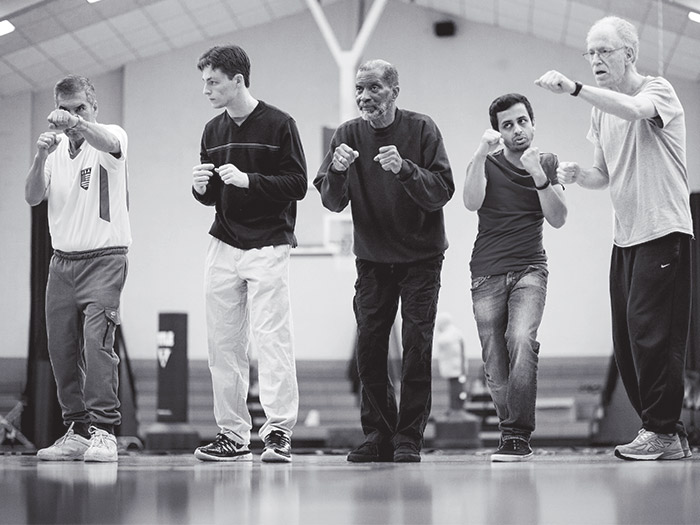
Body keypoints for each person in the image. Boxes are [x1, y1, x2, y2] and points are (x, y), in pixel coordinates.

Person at [536, 16, 693, 461]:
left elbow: (637, 110)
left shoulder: (658, 89)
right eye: (590, 52)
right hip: (625, 239)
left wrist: (575, 89)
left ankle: (660, 431)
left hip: (663, 231)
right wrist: (575, 174)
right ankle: (668, 433)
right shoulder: (599, 110)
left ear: (630, 53)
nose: (596, 59)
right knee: (627, 341)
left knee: (653, 335)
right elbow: (602, 174)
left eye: (605, 50)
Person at [314, 59, 454, 463]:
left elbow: (442, 191)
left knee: (416, 346)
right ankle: (378, 434)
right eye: (360, 89)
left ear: (394, 90)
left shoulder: (422, 129)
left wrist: (405, 169)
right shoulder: (347, 135)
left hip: (421, 258)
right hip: (373, 259)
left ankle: (408, 437)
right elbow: (331, 201)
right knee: (370, 348)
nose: (365, 96)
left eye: (374, 87)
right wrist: (337, 171)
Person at [191, 45, 307, 463]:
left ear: (238, 81)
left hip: (269, 242)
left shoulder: (279, 124)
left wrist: (249, 180)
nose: (205, 89)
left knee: (272, 339)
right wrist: (200, 187)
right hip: (223, 242)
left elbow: (297, 184)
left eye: (213, 82)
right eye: (204, 81)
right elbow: (210, 197)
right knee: (223, 344)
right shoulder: (211, 130)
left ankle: (277, 432)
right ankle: (233, 435)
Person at [25, 75, 130, 463]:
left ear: (93, 108)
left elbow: (108, 142)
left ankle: (105, 431)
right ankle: (79, 429)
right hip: (62, 262)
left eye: (80, 108)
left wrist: (78, 125)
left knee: (96, 343)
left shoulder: (110, 135)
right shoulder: (53, 152)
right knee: (61, 349)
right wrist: (39, 157)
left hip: (105, 257)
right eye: (65, 110)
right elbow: (33, 196)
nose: (72, 116)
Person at [463, 93, 567, 462]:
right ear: (498, 131)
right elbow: (471, 201)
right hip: (486, 273)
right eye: (508, 124)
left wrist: (539, 174)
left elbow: (558, 217)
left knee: (521, 338)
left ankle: (516, 434)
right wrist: (479, 152)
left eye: (522, 121)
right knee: (494, 360)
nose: (517, 129)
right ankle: (511, 431)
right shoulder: (485, 163)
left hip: (530, 268)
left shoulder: (547, 161)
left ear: (532, 123)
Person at [434, 313, 469, 414]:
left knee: (458, 390)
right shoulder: (455, 333)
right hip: (456, 368)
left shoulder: (450, 334)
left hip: (456, 369)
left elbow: (443, 342)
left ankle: (457, 409)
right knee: (455, 389)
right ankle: (455, 408)